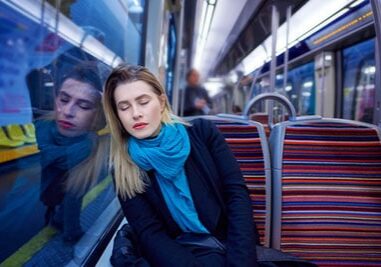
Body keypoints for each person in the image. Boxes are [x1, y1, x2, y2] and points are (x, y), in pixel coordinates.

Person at [103, 64, 258, 266]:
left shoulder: (203, 133)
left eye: (143, 102)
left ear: (161, 102)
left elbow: (236, 195)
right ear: (117, 115)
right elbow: (149, 232)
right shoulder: (123, 167)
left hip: (230, 245)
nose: (135, 114)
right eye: (124, 107)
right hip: (178, 254)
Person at [35, 62, 108, 243]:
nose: (67, 112)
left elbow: (74, 195)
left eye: (83, 106)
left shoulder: (89, 147)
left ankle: (60, 222)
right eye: (64, 100)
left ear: (98, 115)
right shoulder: (38, 131)